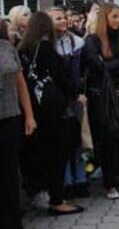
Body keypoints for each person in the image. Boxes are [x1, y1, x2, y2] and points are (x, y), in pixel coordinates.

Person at [18, 12, 85, 216]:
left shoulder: (22, 48)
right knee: (59, 152)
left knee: (44, 152)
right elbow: (60, 76)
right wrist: (76, 93)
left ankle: (45, 194)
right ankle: (57, 200)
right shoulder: (46, 47)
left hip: (33, 108)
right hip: (52, 109)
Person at [82, 3, 119, 200]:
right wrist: (118, 63)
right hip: (103, 98)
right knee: (107, 142)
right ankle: (110, 184)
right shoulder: (92, 40)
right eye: (114, 16)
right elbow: (97, 66)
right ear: (104, 18)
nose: (117, 20)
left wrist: (113, 65)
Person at [46, 7, 89, 199]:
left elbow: (81, 71)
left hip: (75, 97)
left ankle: (80, 180)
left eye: (63, 17)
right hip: (57, 100)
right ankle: (66, 182)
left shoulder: (76, 41)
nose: (62, 21)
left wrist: (79, 91)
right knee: (61, 144)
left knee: (77, 141)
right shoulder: (45, 44)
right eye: (57, 18)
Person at [0, 20, 37, 229]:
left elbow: (20, 82)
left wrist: (29, 116)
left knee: (10, 173)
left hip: (10, 117)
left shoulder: (7, 47)